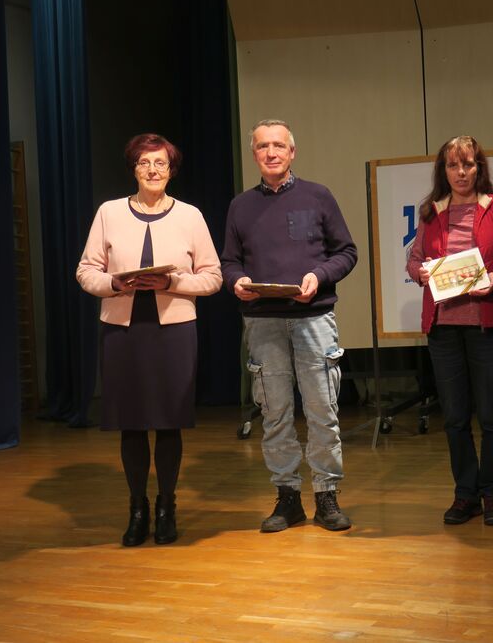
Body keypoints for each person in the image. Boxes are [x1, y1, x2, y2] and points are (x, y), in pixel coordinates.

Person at [76, 133, 222, 546]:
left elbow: (212, 277)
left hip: (174, 331)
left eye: (160, 163)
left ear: (171, 170)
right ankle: (137, 508)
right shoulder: (109, 212)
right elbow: (86, 270)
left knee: (169, 421)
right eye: (144, 163)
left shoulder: (190, 216)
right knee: (132, 423)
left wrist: (172, 282)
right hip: (123, 330)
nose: (153, 170)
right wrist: (114, 283)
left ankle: (166, 506)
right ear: (133, 169)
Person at [221, 119, 358, 533]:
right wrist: (236, 281)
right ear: (254, 154)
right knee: (275, 413)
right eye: (263, 146)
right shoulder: (240, 206)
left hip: (313, 318)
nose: (271, 152)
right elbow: (229, 261)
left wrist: (319, 275)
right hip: (263, 322)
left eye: (278, 145)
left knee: (321, 410)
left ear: (292, 152)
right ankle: (288, 497)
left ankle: (327, 496)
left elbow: (346, 252)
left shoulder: (318, 196)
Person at [406, 136, 493, 526]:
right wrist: (420, 273)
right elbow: (414, 260)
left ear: (479, 168)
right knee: (454, 417)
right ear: (444, 171)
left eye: (468, 164)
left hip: (489, 324)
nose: (461, 172)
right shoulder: (431, 211)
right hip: (444, 328)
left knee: (492, 416)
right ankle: (465, 493)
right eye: (453, 166)